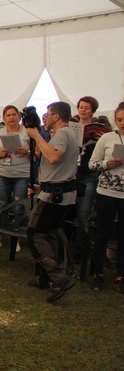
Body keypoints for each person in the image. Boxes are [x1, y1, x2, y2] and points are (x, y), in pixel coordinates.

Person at [25, 101, 78, 302]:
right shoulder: (64, 134)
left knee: (36, 233)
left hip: (55, 196)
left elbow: (54, 157)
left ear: (56, 116)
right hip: (56, 191)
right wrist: (42, 186)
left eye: (48, 114)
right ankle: (47, 278)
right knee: (51, 234)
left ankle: (59, 278)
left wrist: (37, 136)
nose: (45, 118)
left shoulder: (63, 133)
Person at [88, 102, 124, 292]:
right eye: (119, 120)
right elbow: (92, 164)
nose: (122, 123)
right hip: (106, 192)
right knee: (102, 233)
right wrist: (107, 164)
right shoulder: (107, 138)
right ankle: (98, 273)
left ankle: (120, 275)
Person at [0, 105, 31, 248]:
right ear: (4, 118)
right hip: (3, 172)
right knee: (2, 204)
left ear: (19, 117)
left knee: (19, 206)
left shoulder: (28, 133)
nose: (11, 117)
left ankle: (16, 239)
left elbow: (37, 154)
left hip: (22, 174)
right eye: (8, 115)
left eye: (14, 115)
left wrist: (26, 152)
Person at [74, 96, 103, 264]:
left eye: (87, 107)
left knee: (83, 214)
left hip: (89, 174)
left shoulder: (98, 130)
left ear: (92, 111)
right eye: (81, 107)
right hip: (72, 172)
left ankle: (80, 249)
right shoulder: (71, 126)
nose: (83, 110)